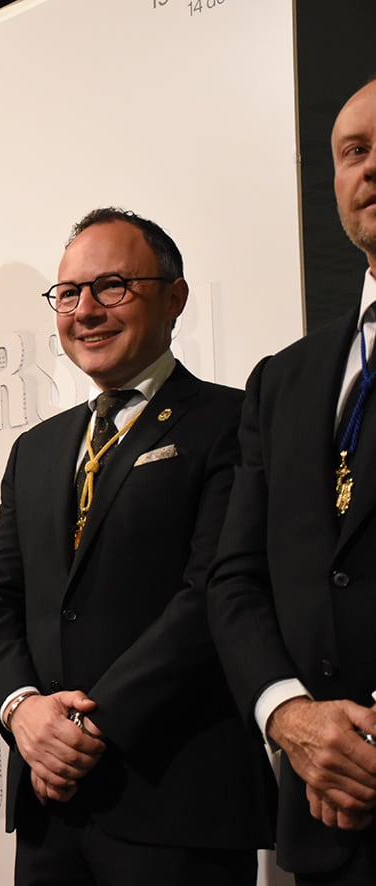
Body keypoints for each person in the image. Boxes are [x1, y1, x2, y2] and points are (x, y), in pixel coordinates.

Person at [0, 209, 274, 885]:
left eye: (113, 287)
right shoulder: (37, 449)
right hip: (52, 799)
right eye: (69, 293)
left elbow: (212, 594)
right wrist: (24, 711)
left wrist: (87, 727)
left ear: (175, 297)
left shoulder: (234, 420)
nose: (86, 311)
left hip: (178, 796)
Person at [208, 76, 376, 884]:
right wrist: (292, 716)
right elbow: (236, 577)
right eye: (354, 152)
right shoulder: (284, 378)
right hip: (319, 811)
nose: (370, 168)